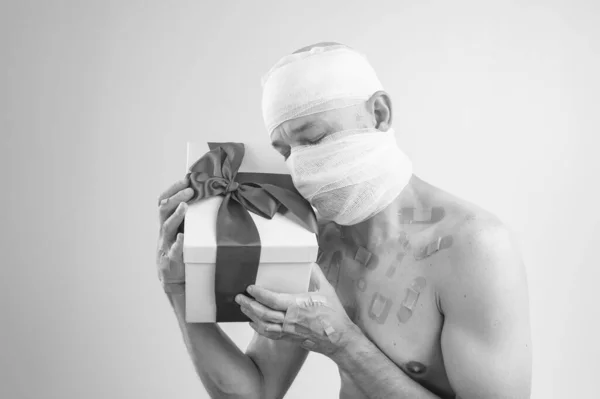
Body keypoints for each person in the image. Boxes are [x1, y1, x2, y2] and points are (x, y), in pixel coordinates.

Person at [156, 42, 532, 399]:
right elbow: (253, 391)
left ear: (379, 114)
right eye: (285, 151)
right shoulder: (314, 244)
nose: (300, 166)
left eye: (315, 138)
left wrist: (342, 342)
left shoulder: (474, 247)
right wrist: (178, 289)